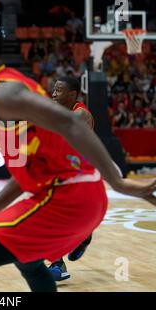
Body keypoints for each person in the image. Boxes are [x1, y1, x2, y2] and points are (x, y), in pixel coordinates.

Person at [0, 14, 156, 292]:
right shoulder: (6, 90)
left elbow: (71, 121)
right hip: (83, 196)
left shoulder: (3, 94)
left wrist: (119, 182)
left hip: (68, 198)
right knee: (28, 261)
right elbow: (30, 173)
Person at [46, 76, 94, 281]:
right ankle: (62, 258)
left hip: (80, 174)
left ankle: (62, 259)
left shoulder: (81, 114)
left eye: (58, 91)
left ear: (72, 94)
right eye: (53, 90)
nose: (53, 94)